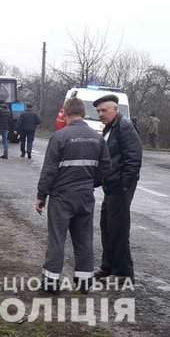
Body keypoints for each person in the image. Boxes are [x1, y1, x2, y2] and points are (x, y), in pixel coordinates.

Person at [35, 97, 111, 294]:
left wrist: (41, 195)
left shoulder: (59, 137)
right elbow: (105, 168)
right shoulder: (98, 138)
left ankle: (51, 283)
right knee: (84, 239)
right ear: (83, 114)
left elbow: (49, 170)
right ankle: (85, 282)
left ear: (66, 113)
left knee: (57, 239)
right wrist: (90, 184)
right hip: (85, 196)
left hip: (62, 196)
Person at [94, 95, 143, 284]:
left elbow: (134, 158)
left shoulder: (124, 126)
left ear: (115, 109)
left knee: (119, 229)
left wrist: (124, 185)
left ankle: (123, 272)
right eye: (98, 111)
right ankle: (107, 267)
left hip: (120, 187)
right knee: (107, 226)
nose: (100, 114)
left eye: (103, 110)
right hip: (111, 185)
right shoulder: (110, 127)